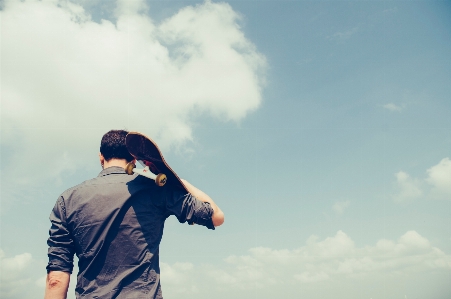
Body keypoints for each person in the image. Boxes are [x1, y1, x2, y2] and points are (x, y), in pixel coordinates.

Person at [44, 130, 224, 299]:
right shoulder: (155, 189)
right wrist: (180, 182)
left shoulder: (67, 200)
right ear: (134, 158)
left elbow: (56, 280)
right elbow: (216, 216)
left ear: (101, 157)